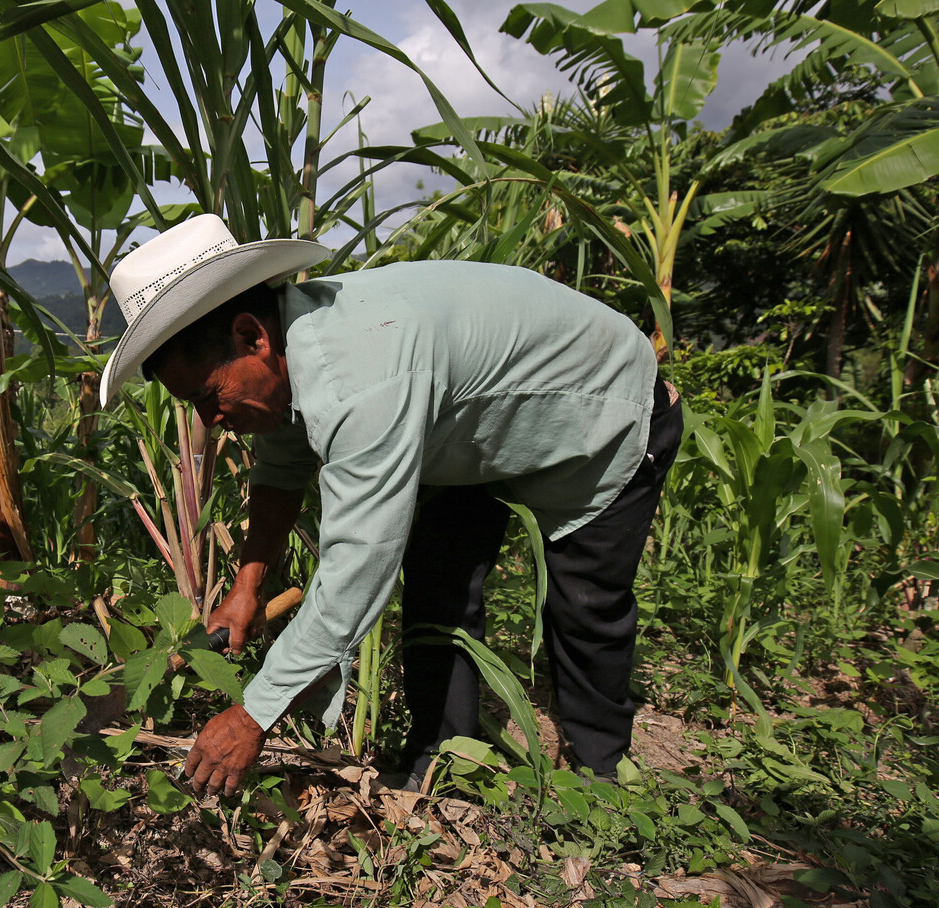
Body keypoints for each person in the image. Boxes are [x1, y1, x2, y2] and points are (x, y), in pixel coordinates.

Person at [99, 214, 684, 797]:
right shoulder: (289, 353)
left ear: (253, 336)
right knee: (439, 586)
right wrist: (248, 584)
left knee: (586, 601)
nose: (211, 421)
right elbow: (281, 471)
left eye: (208, 397)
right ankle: (444, 765)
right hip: (464, 428)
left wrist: (252, 717)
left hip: (601, 398)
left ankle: (599, 779)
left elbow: (358, 569)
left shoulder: (362, 377)